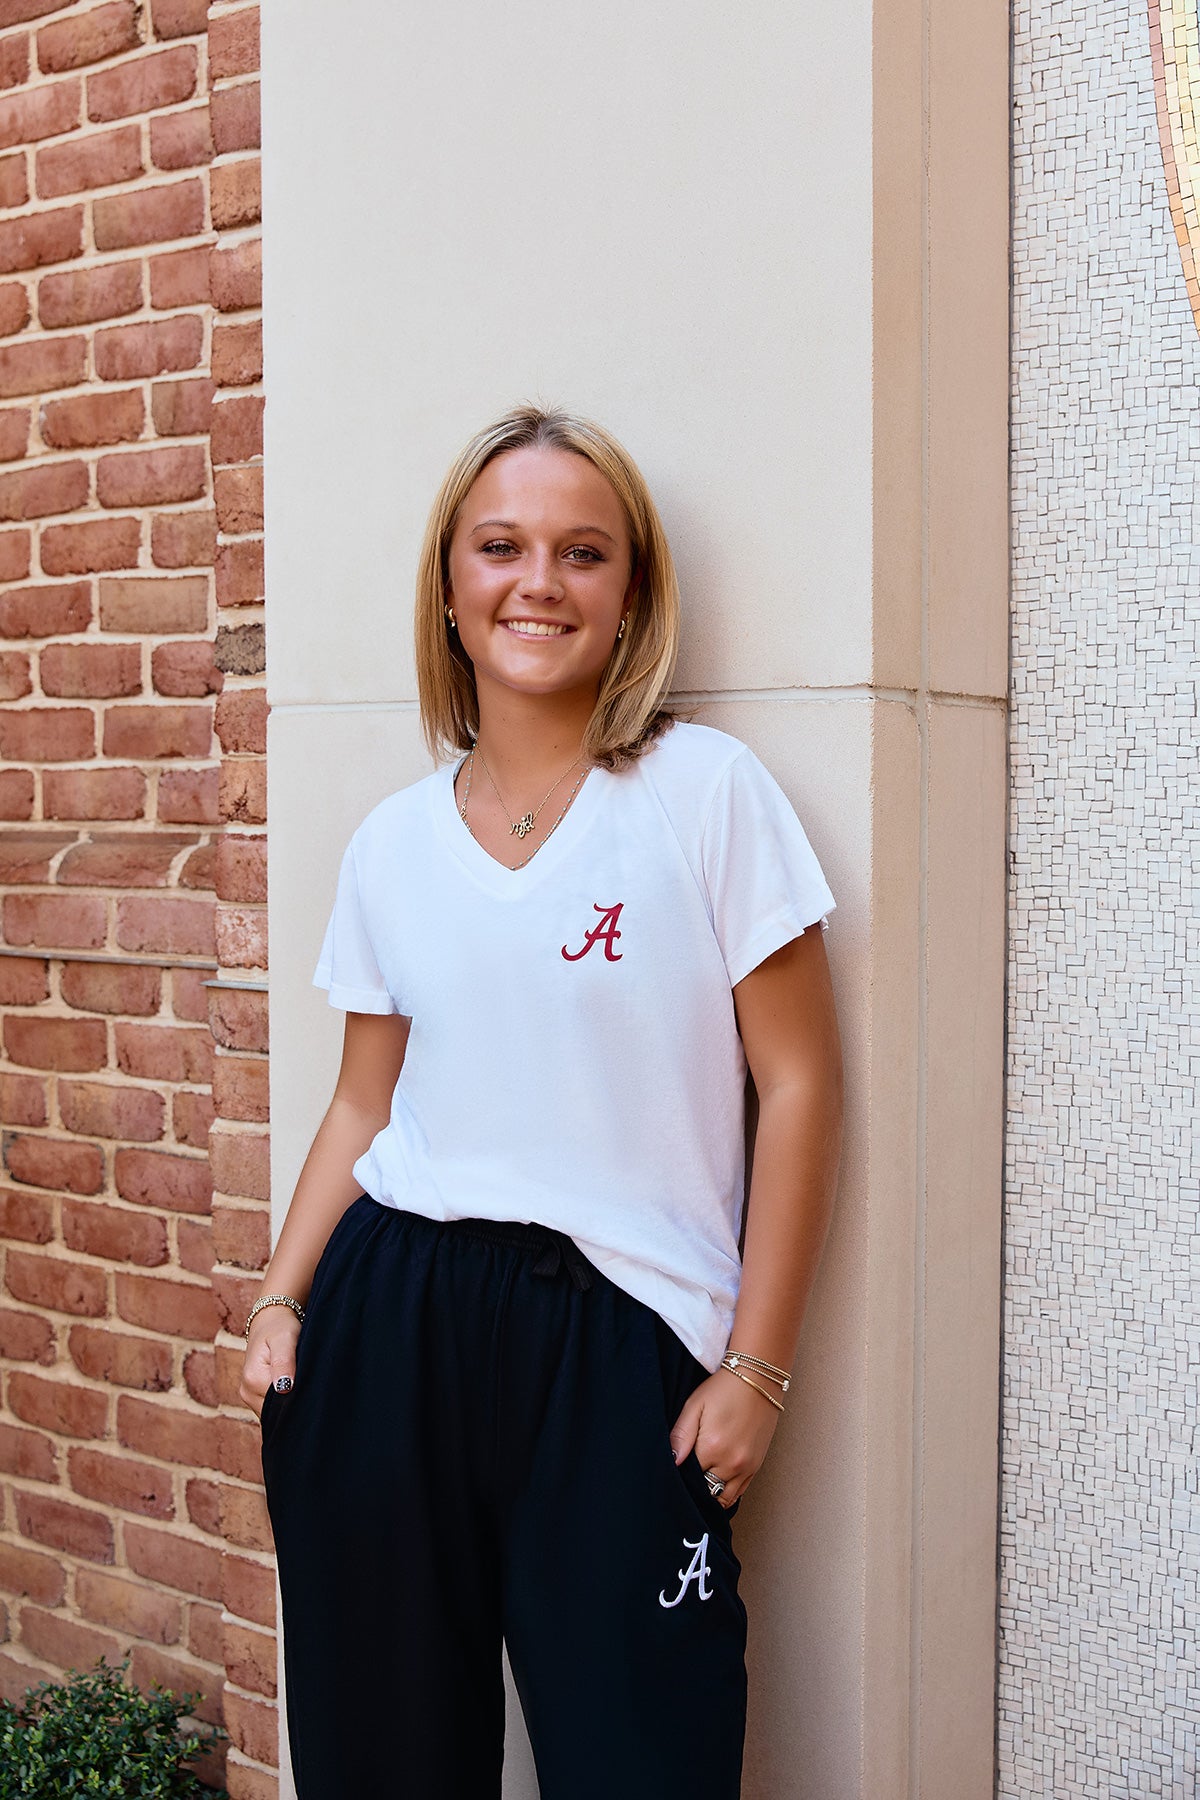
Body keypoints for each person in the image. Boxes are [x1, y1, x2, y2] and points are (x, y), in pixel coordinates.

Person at [241, 404, 844, 1799]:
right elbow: (359, 1110)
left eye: (585, 552)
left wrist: (757, 1367)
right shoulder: (392, 842)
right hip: (389, 1327)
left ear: (631, 595)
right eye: (501, 546)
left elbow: (801, 1083)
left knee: (644, 1757)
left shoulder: (704, 796)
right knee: (379, 1758)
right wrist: (281, 1304)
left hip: (619, 1354)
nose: (540, 582)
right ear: (450, 589)